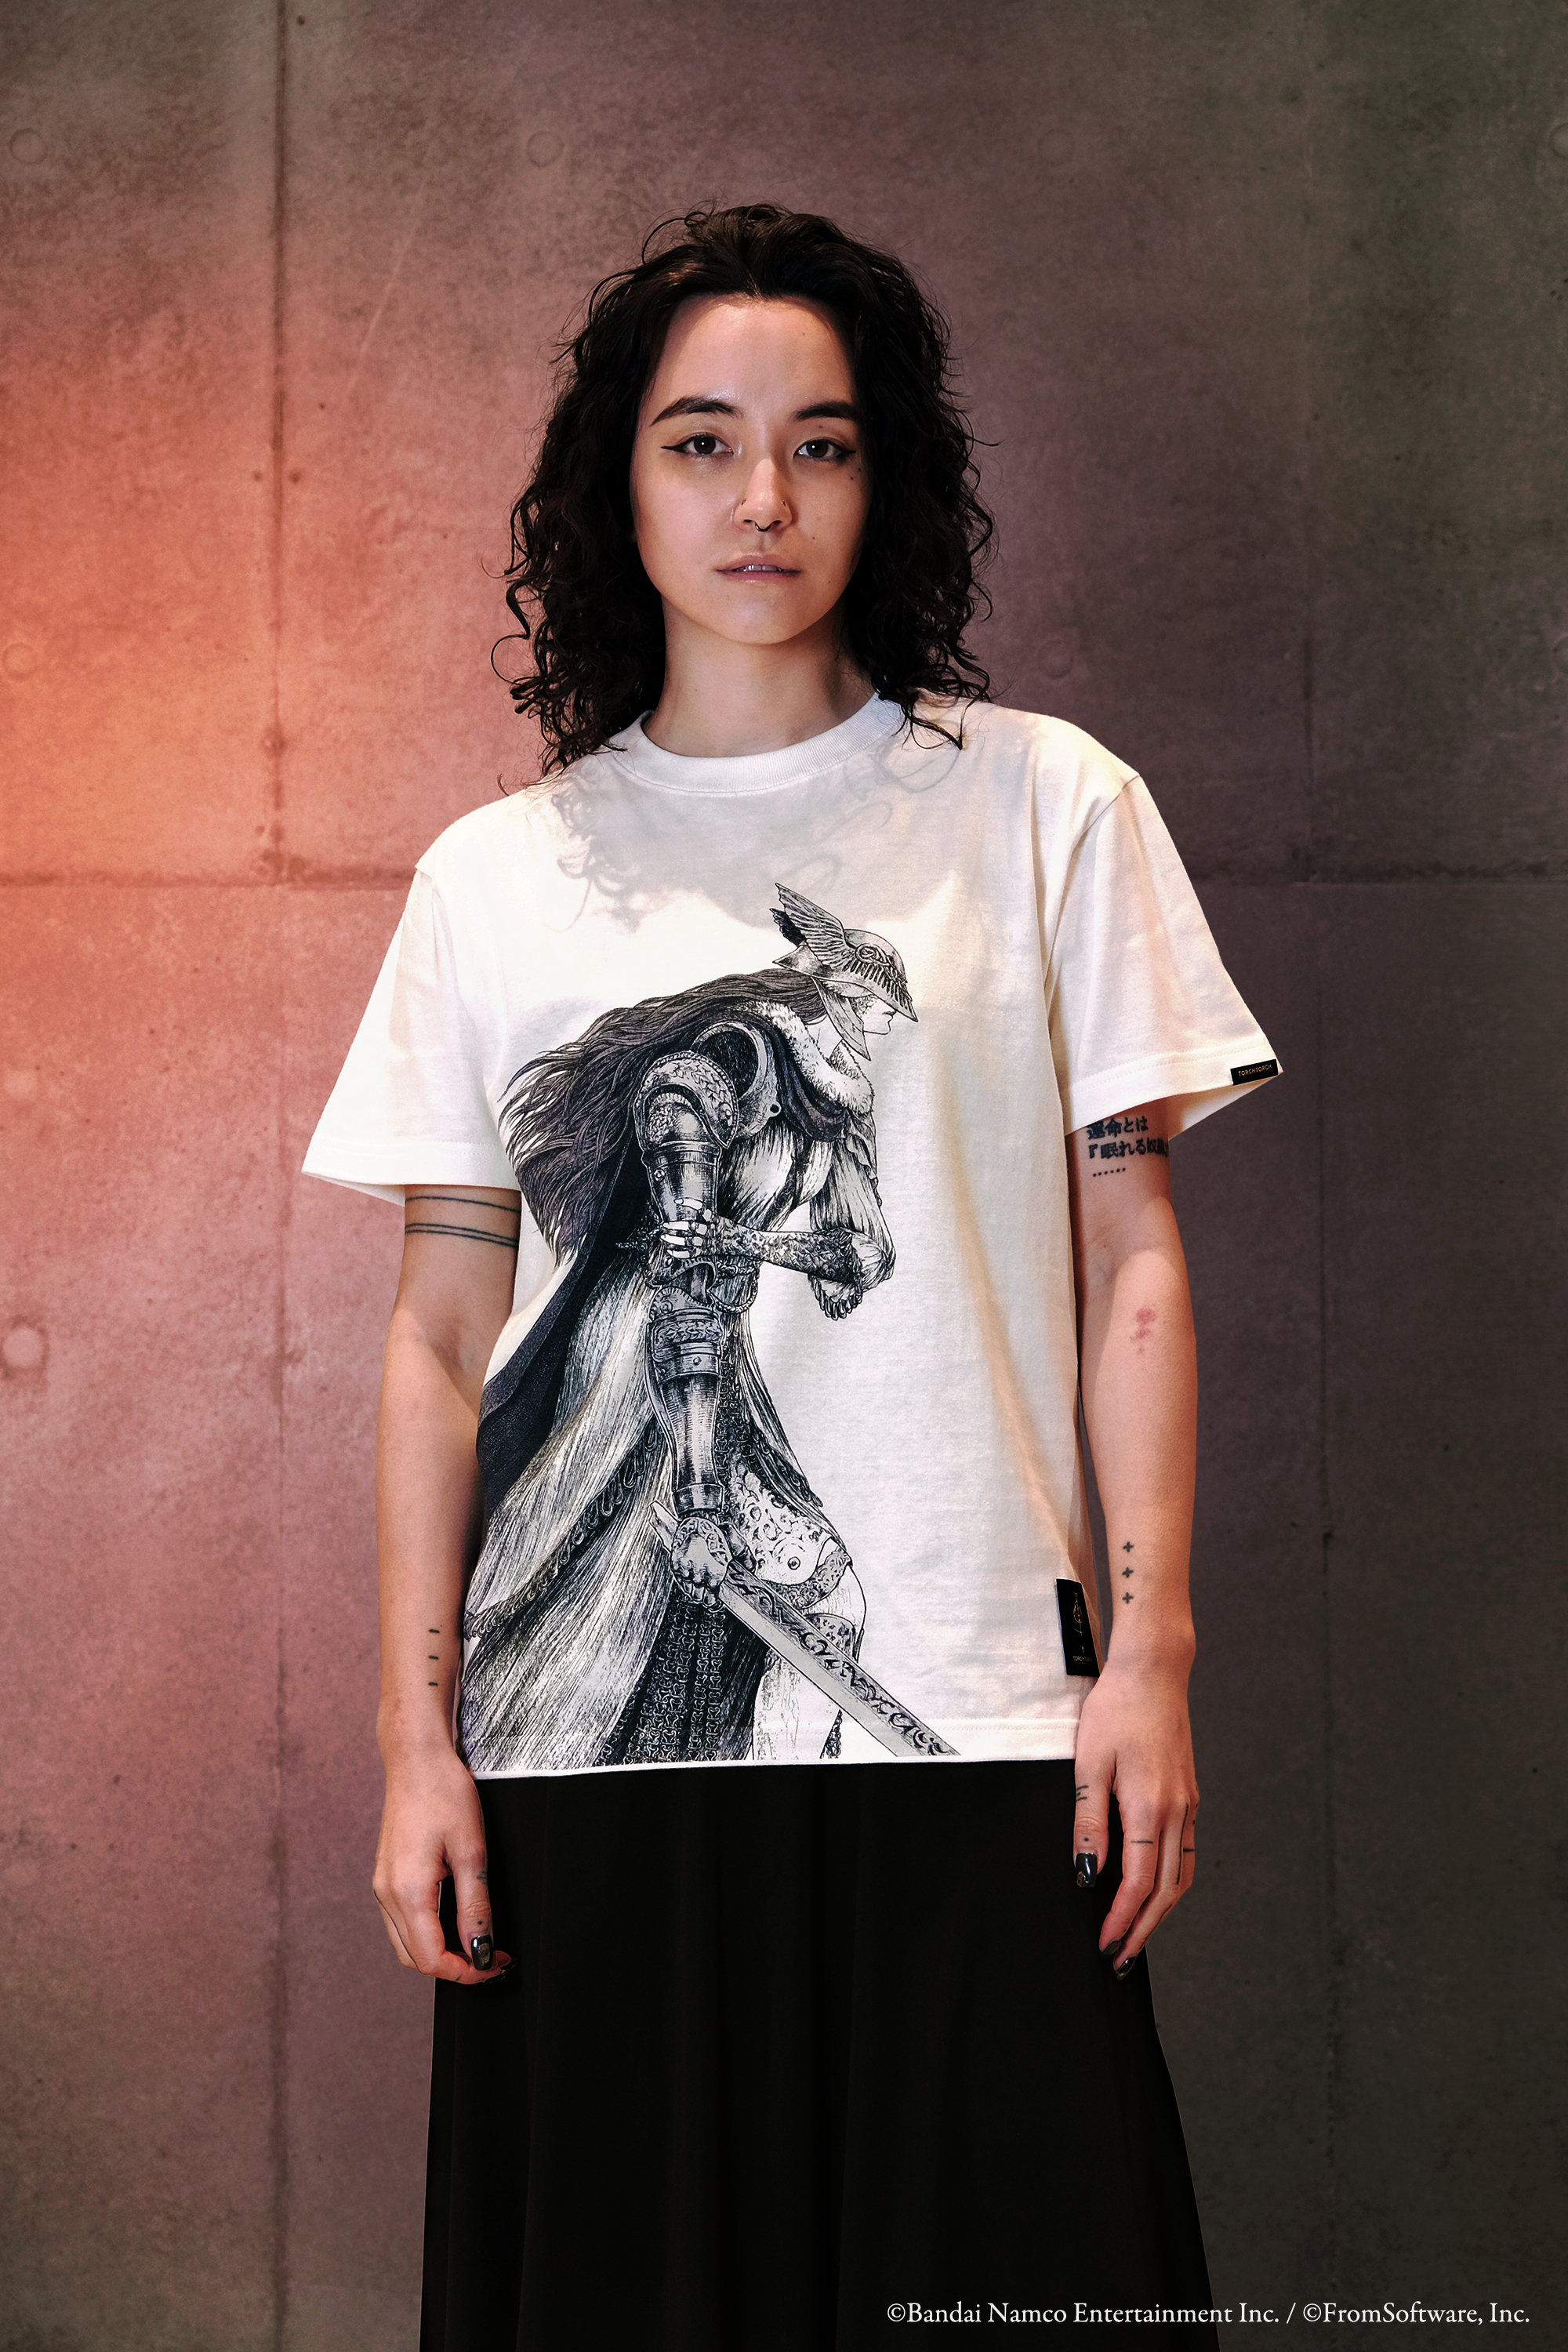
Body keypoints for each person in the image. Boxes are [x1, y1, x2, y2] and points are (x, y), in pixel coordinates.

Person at [304, 204, 1279, 2349]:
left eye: (821, 444)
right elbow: (441, 1339)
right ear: (618, 484)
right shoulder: (498, 876)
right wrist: (414, 1739)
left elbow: (1131, 1258)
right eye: (703, 441)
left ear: (883, 477)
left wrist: (1152, 1656)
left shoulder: (1047, 807)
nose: (763, 497)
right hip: (580, 1770)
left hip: (985, 1715)